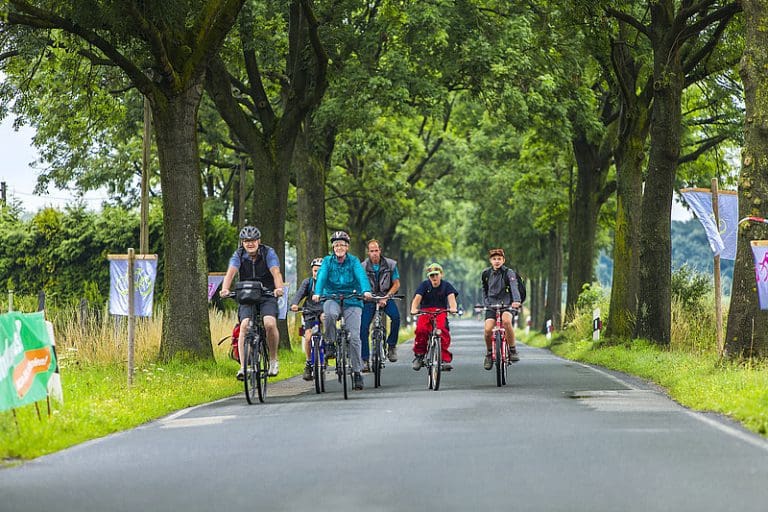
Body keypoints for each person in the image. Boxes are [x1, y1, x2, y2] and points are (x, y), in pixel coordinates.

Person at [220, 226, 285, 379]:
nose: (250, 244)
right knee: (244, 326)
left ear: (259, 241)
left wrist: (279, 288)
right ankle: (243, 367)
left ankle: (273, 359)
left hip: (266, 294)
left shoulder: (268, 252)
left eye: (253, 241)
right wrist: (225, 289)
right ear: (242, 242)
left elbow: (275, 272)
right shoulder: (238, 254)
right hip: (246, 295)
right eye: (246, 241)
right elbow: (231, 273)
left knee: (269, 323)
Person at [312, 231, 372, 390]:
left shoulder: (354, 261)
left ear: (347, 247)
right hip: (331, 297)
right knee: (330, 314)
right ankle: (330, 342)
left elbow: (361, 276)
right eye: (336, 244)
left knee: (354, 337)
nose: (339, 247)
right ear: (333, 247)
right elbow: (322, 277)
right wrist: (317, 292)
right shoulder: (327, 261)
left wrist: (366, 290)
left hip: (352, 299)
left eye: (342, 245)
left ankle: (357, 373)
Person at [360, 239, 402, 371]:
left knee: (396, 318)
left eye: (376, 250)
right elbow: (359, 283)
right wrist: (365, 294)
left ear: (380, 251)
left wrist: (387, 296)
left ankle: (391, 345)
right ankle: (365, 359)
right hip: (369, 299)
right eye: (371, 251)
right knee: (363, 327)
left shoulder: (390, 264)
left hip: (386, 297)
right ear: (368, 252)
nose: (374, 253)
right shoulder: (362, 267)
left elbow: (396, 283)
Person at [409, 262, 458, 371]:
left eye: (436, 274)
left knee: (442, 330)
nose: (434, 277)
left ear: (441, 274)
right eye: (432, 275)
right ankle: (419, 355)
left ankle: (444, 359)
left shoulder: (447, 286)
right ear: (429, 277)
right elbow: (417, 299)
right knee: (421, 330)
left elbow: (452, 299)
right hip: (425, 311)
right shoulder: (424, 285)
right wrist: (413, 309)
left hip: (441, 311)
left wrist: (453, 308)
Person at [481, 248, 522, 369]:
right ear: (490, 261)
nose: (497, 261)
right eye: (494, 259)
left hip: (507, 304)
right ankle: (489, 354)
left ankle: (513, 349)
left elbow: (514, 287)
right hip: (491, 305)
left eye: (499, 259)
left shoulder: (509, 273)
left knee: (506, 321)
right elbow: (484, 290)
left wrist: (516, 301)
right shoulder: (486, 274)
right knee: (488, 330)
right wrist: (486, 303)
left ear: (503, 260)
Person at [290, 258, 325, 381]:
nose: (317, 274)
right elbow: (299, 294)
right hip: (309, 311)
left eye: (320, 271)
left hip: (323, 310)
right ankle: (309, 363)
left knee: (325, 318)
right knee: (308, 336)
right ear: (312, 271)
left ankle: (327, 343)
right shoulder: (308, 282)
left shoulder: (328, 283)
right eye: (315, 271)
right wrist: (294, 304)